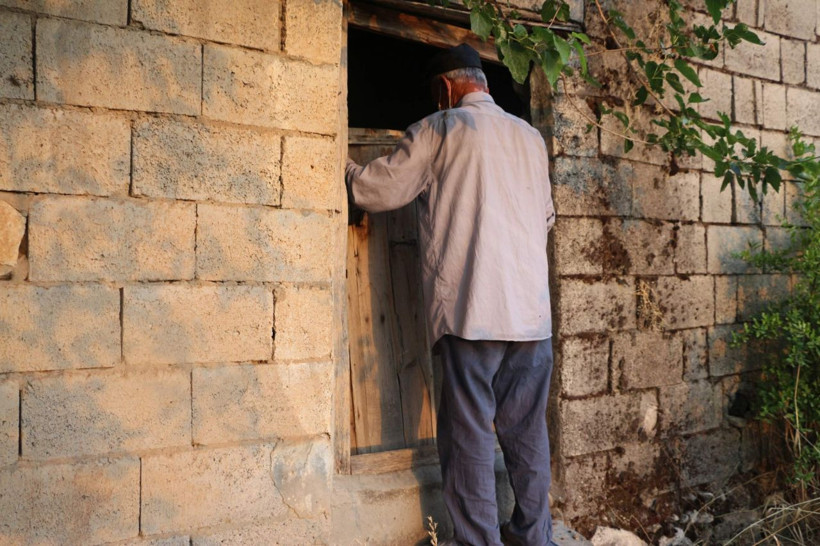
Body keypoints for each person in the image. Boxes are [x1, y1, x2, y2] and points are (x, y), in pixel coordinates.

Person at [345, 43, 556, 546]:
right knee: (528, 436)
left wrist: (346, 167)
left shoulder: (438, 131)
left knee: (469, 441)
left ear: (444, 89)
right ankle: (534, 538)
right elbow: (545, 219)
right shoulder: (530, 138)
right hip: (531, 318)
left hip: (472, 314)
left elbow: (377, 191)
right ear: (481, 82)